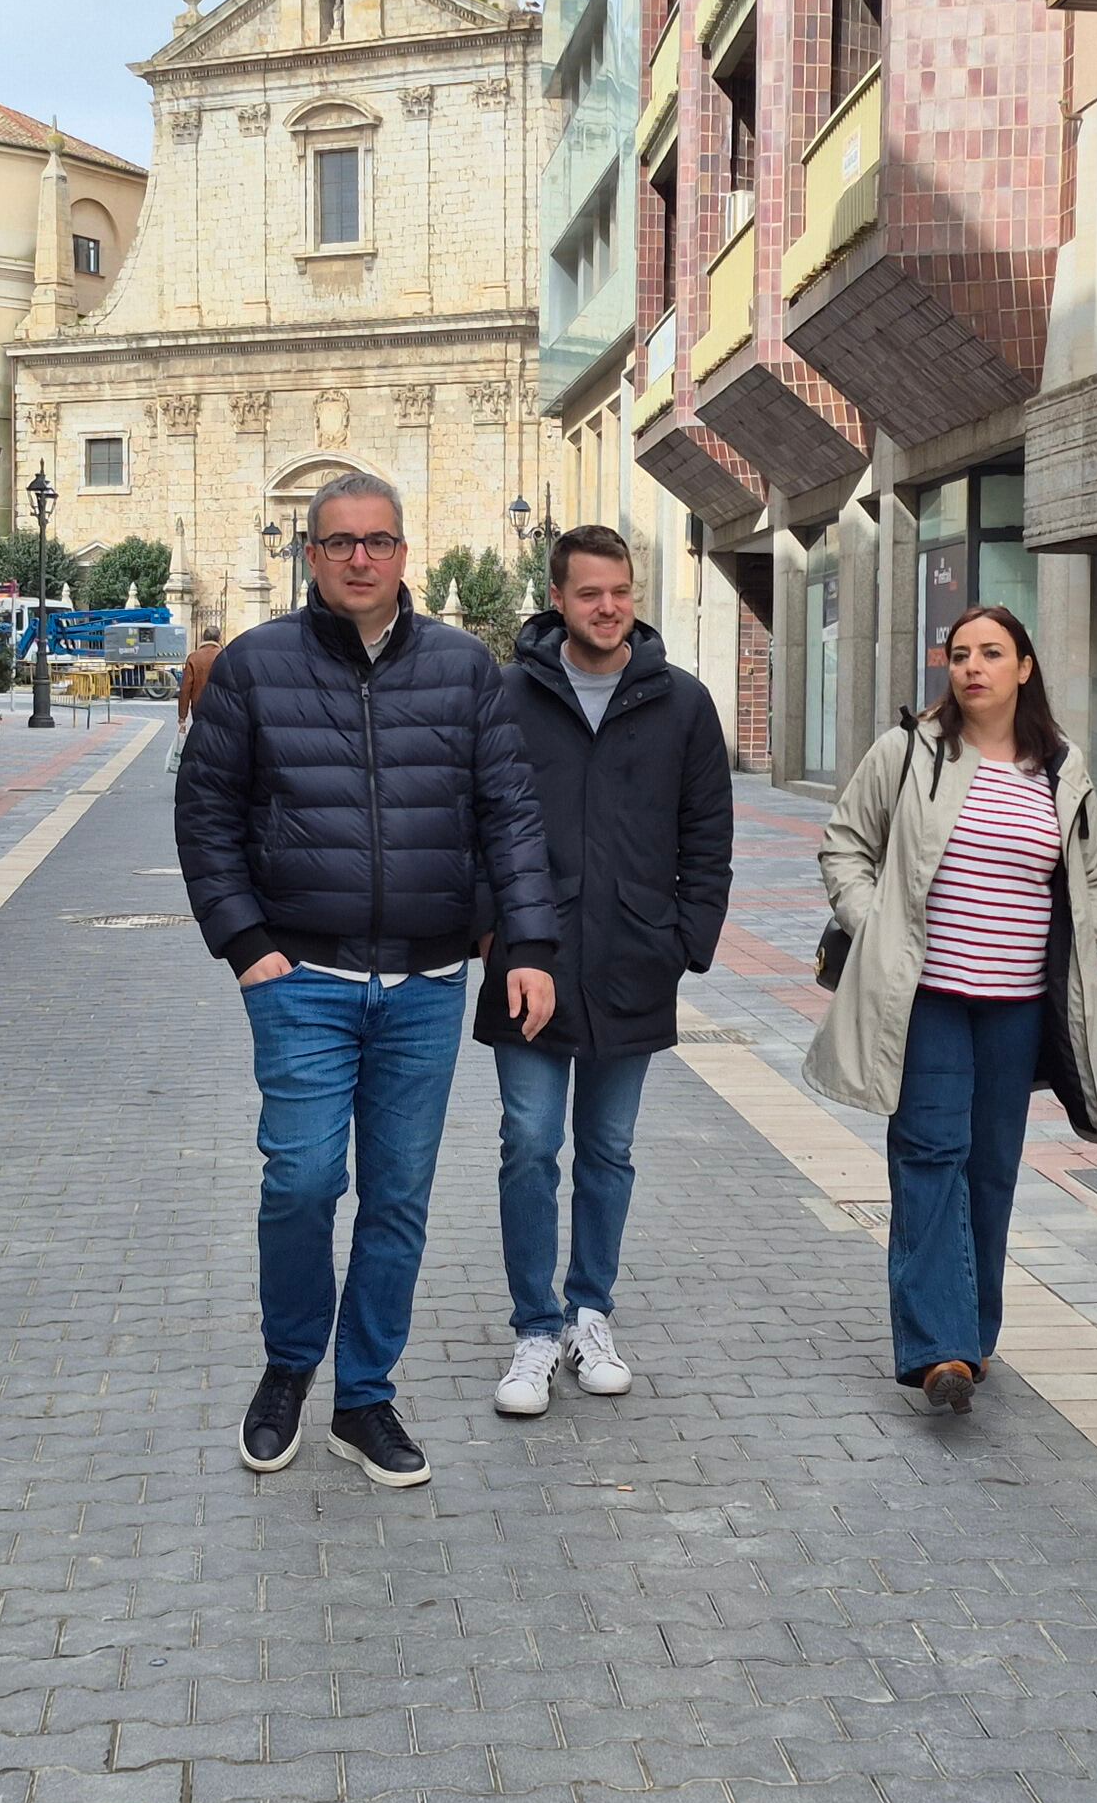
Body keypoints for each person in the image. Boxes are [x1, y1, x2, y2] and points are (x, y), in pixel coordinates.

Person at [177, 472, 559, 1488]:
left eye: (377, 540)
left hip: (428, 980)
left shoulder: (463, 668)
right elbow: (205, 812)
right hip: (299, 973)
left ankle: (364, 1394)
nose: (359, 557)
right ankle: (289, 1364)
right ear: (310, 554)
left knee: (397, 1197)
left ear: (403, 552)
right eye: (338, 541)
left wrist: (522, 943)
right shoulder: (255, 667)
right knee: (301, 1181)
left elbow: (509, 813)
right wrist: (244, 941)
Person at [807, 605, 1097, 1413]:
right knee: (929, 1156)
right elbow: (845, 842)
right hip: (929, 997)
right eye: (960, 653)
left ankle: (973, 1338)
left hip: (1016, 1007)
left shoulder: (1062, 770)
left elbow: (1095, 876)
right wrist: (874, 925)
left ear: (1025, 667)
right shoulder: (908, 753)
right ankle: (938, 1349)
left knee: (990, 1170)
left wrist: (1090, 941)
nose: (973, 666)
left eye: (992, 653)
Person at [474, 524, 733, 1417]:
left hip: (633, 957)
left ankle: (591, 1311)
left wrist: (684, 938)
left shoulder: (682, 704)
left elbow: (708, 836)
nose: (609, 607)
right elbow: (474, 824)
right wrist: (488, 933)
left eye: (620, 590)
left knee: (609, 1150)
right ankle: (535, 1329)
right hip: (530, 964)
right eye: (590, 593)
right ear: (558, 600)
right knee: (530, 1144)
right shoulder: (505, 697)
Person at [167, 622, 226, 774]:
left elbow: (185, 689)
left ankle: (202, 769)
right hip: (221, 707)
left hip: (199, 707)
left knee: (200, 738)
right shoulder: (225, 656)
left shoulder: (193, 657)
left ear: (202, 638)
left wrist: (182, 717)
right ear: (219, 638)